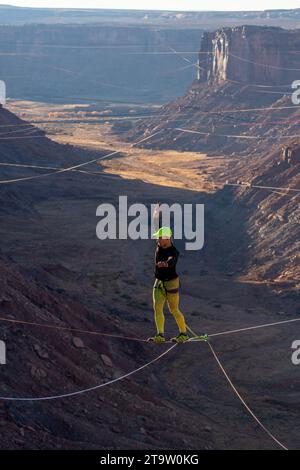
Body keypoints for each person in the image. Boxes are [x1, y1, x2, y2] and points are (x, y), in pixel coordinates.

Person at [148, 226, 189, 343]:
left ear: (167, 238)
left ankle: (183, 334)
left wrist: (166, 264)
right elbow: (156, 224)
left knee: (174, 310)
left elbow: (172, 259)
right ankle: (160, 335)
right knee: (157, 308)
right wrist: (156, 213)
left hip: (171, 283)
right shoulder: (159, 247)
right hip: (159, 281)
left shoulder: (174, 251)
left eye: (160, 238)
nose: (158, 240)